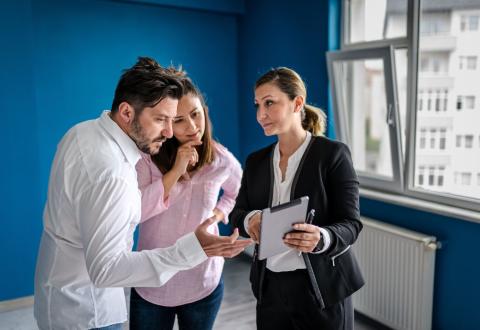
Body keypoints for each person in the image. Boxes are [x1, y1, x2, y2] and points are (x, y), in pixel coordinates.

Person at [33, 57, 252, 330]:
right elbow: (107, 269)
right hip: (87, 312)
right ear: (126, 113)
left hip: (62, 298)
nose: (170, 131)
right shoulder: (115, 174)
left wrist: (219, 213)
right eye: (162, 119)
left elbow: (121, 214)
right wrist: (193, 248)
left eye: (176, 119)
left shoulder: (80, 132)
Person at [230, 67, 365, 330]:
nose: (260, 115)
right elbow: (238, 212)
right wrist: (250, 220)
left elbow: (351, 224)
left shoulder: (333, 155)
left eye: (269, 103)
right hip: (269, 287)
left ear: (297, 103)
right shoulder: (256, 161)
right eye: (257, 105)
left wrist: (321, 238)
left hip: (321, 288)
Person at [129, 74, 242, 330]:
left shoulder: (222, 159)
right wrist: (176, 171)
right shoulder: (146, 159)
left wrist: (217, 214)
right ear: (166, 124)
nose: (192, 126)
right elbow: (137, 212)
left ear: (205, 111)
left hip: (203, 281)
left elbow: (237, 192)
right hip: (153, 281)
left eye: (196, 113)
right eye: (179, 120)